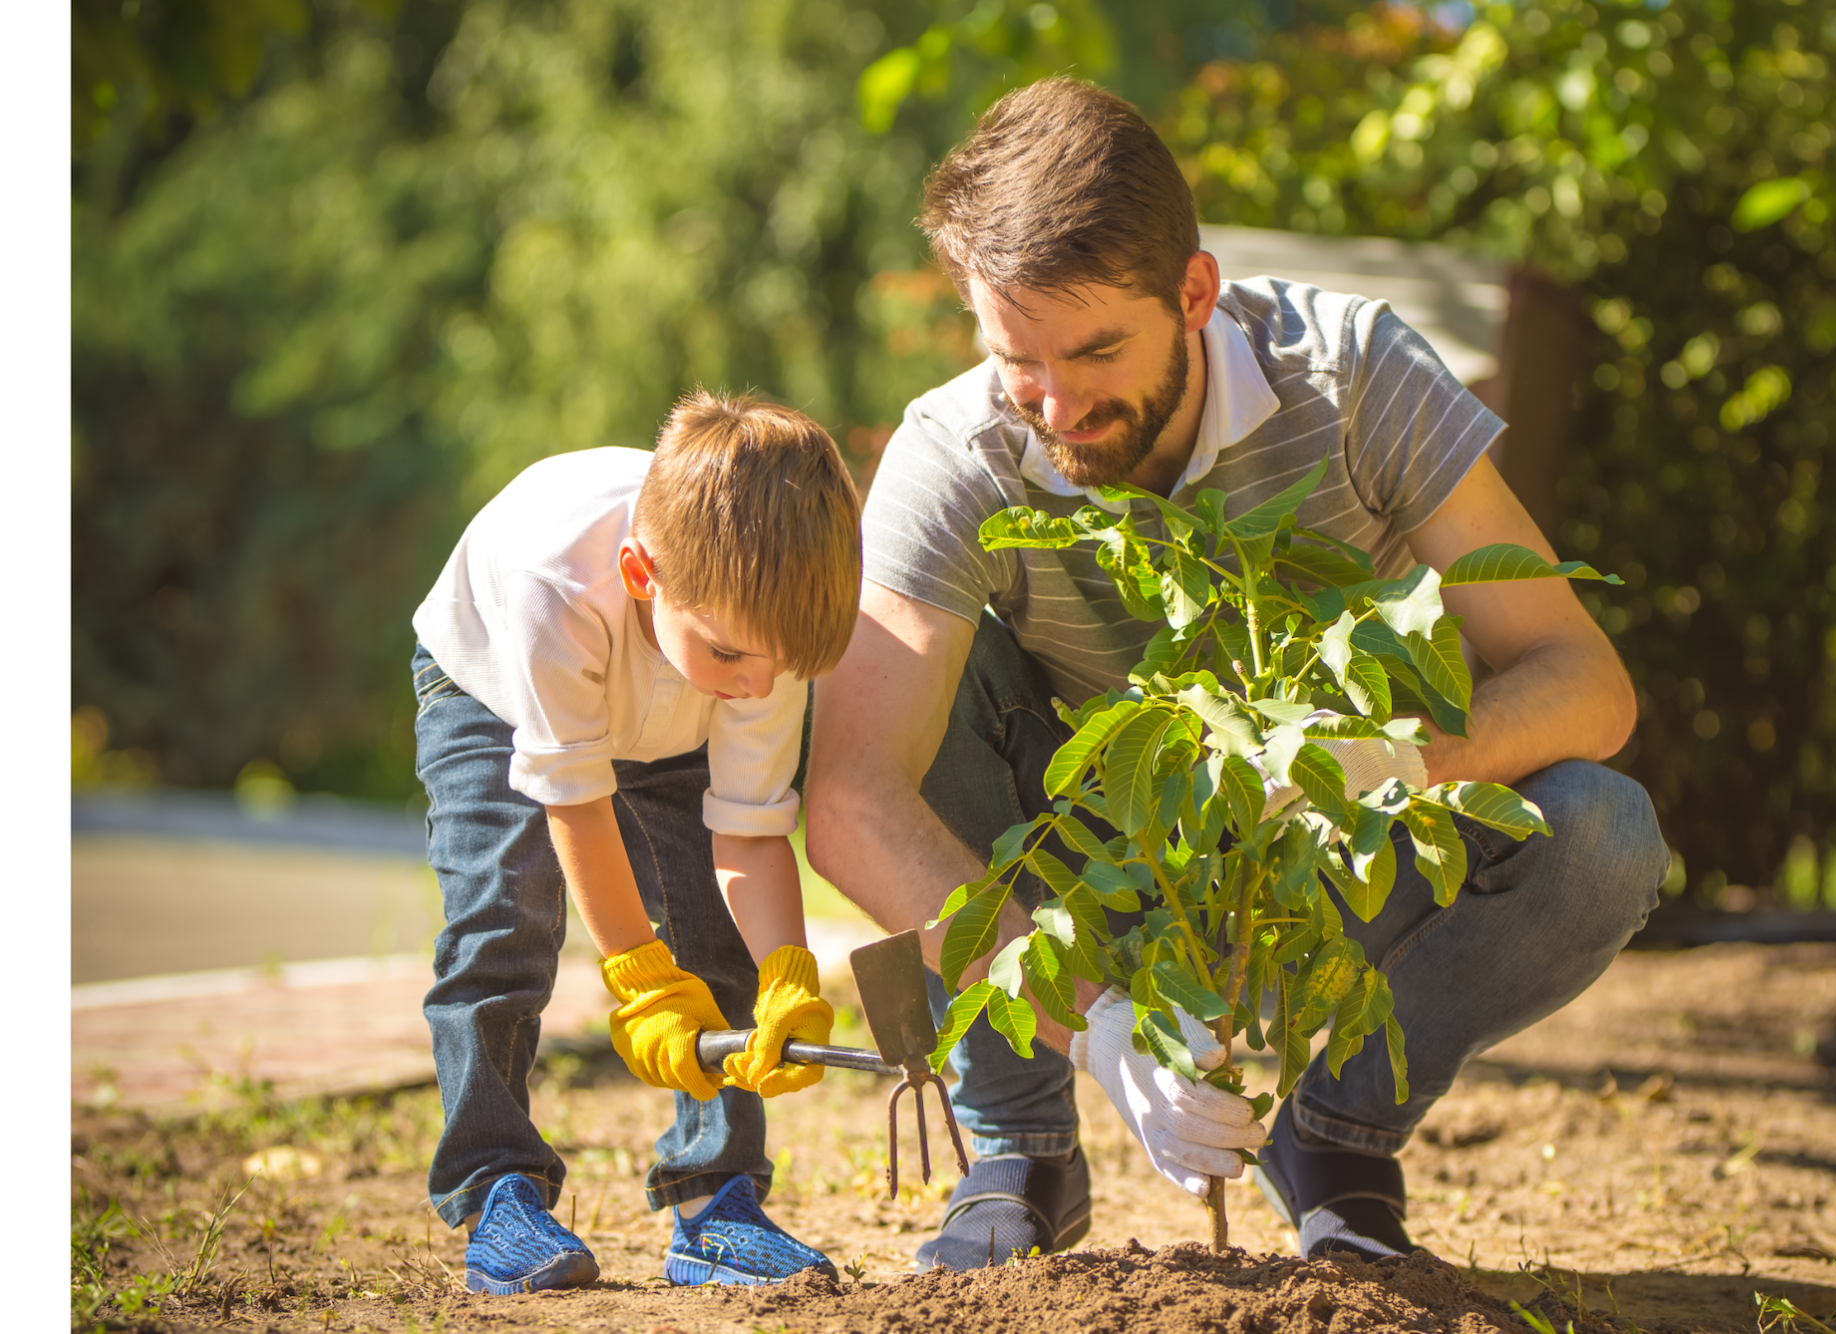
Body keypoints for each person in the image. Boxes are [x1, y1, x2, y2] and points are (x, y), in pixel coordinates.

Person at [804, 77, 1669, 1268]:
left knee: (1603, 831)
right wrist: (1096, 1021)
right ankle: (1017, 1145)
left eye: (1098, 348)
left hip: (1331, 856)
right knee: (912, 673)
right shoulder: (954, 453)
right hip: (1096, 879)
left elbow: (1585, 679)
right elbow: (850, 798)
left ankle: (1334, 1137)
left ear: (1194, 293)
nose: (1056, 405)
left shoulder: (1352, 374)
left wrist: (1381, 757)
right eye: (1019, 360)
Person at [410, 390, 862, 1292]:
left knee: (718, 932)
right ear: (641, 573)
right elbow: (573, 800)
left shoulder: (754, 642)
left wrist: (787, 971)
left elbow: (749, 830)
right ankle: (497, 1188)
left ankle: (716, 1199)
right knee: (503, 920)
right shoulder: (557, 584)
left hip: (670, 709)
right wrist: (641, 978)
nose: (760, 686)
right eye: (736, 656)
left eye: (780, 666)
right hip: (496, 690)